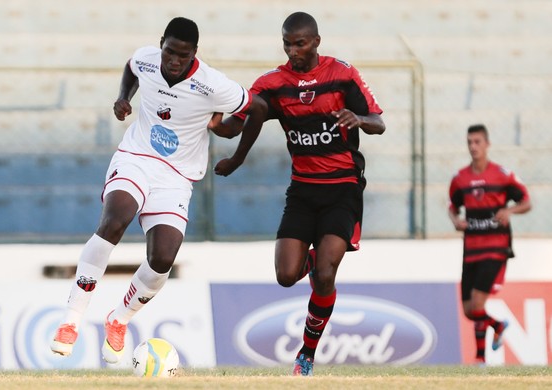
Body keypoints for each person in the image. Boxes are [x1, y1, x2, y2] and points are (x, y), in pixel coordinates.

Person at [50, 16, 267, 364]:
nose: (174, 61)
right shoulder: (147, 58)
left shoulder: (213, 84)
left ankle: (118, 320)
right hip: (136, 157)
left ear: (195, 52)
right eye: (169, 51)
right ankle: (70, 322)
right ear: (161, 42)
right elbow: (131, 68)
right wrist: (123, 99)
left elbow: (257, 108)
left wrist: (233, 147)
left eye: (183, 55)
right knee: (114, 221)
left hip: (177, 177)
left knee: (163, 258)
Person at [211, 12, 385, 376]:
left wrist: (359, 120)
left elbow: (378, 123)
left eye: (300, 43)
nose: (293, 51)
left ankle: (306, 354)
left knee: (324, 275)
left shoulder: (342, 74)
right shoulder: (273, 84)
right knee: (286, 275)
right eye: (288, 44)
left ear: (316, 41)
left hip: (342, 188)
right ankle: (311, 257)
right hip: (303, 191)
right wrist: (216, 124)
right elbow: (238, 123)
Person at [448, 124, 531, 365]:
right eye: (470, 142)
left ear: (487, 144)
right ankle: (498, 325)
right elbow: (452, 207)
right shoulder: (460, 179)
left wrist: (509, 210)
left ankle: (480, 358)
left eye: (477, 142)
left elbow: (526, 201)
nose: (473, 147)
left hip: (495, 247)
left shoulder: (502, 175)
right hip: (471, 248)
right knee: (468, 309)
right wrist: (456, 221)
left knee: (477, 303)